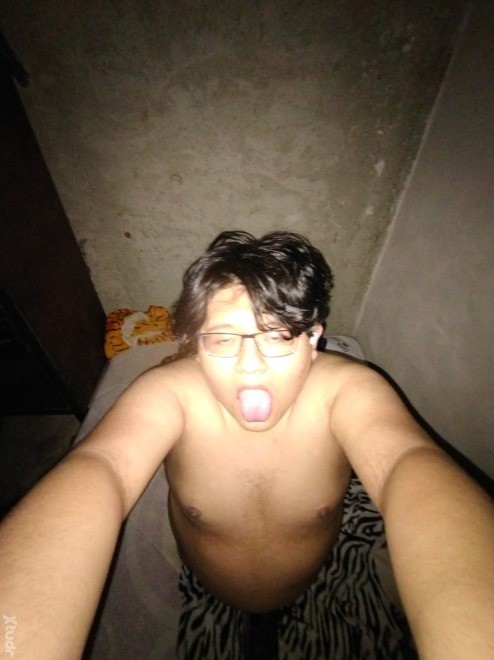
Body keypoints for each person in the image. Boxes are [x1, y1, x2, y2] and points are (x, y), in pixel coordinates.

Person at [0, 230, 493, 660]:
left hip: (309, 584)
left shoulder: (350, 390)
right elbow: (102, 465)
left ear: (313, 338)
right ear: (196, 345)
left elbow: (409, 462)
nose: (250, 365)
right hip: (207, 586)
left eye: (277, 336)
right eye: (223, 339)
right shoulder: (168, 393)